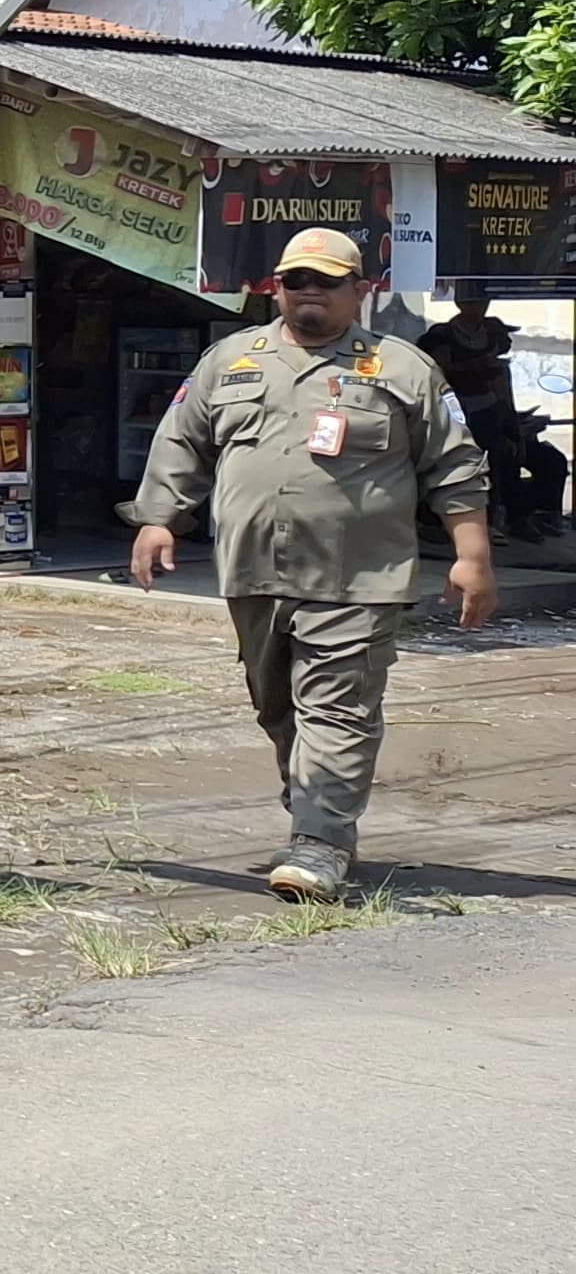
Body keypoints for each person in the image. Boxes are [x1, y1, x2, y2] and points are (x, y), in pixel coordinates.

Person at [134, 226, 491, 901]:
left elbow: (455, 467)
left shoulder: (403, 369)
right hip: (254, 573)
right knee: (278, 711)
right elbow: (183, 440)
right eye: (297, 279)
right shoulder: (232, 360)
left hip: (359, 576)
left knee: (337, 711)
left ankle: (319, 840)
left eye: (326, 281)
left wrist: (472, 556)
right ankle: (313, 818)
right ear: (277, 286)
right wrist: (158, 520)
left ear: (361, 290)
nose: (309, 292)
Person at [416, 284, 562, 541]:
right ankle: (442, 521)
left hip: (489, 409)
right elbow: (440, 373)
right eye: (473, 300)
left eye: (483, 300)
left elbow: (501, 384)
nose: (479, 306)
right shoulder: (442, 335)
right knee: (457, 464)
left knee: (504, 459)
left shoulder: (493, 332)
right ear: (460, 301)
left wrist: (515, 425)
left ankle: (513, 517)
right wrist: (478, 367)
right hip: (453, 409)